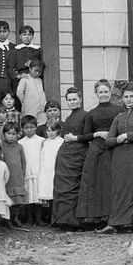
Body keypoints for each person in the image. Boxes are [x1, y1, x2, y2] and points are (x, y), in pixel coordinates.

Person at [97, 83, 133, 234]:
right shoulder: (119, 117)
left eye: (131, 96)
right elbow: (109, 140)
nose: (128, 99)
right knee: (119, 188)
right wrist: (119, 140)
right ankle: (115, 223)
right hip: (120, 158)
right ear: (122, 98)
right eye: (126, 97)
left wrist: (128, 136)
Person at [76, 79, 123, 229]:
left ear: (110, 92)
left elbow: (123, 129)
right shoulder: (91, 113)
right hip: (96, 150)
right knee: (97, 182)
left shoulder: (119, 110)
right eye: (100, 92)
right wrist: (97, 133)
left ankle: (114, 217)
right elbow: (86, 135)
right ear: (96, 94)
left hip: (113, 148)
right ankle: (98, 217)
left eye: (105, 92)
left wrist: (111, 135)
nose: (103, 95)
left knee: (112, 182)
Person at [51, 87, 92, 230]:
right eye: (69, 100)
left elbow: (88, 135)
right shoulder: (68, 118)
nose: (72, 102)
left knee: (75, 186)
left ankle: (75, 221)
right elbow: (63, 136)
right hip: (65, 155)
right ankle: (62, 219)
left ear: (80, 99)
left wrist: (75, 138)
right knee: (63, 186)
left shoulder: (86, 115)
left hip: (79, 153)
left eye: (75, 99)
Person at [38, 120, 64, 225]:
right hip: (46, 170)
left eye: (53, 130)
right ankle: (48, 217)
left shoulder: (61, 141)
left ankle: (57, 218)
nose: (50, 133)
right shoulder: (45, 142)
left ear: (58, 131)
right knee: (47, 193)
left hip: (56, 169)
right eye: (48, 130)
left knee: (56, 192)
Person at [1, 122, 27, 227]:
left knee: (18, 200)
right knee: (8, 199)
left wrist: (23, 173)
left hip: (17, 176)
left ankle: (15, 218)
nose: (11, 136)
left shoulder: (19, 147)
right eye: (9, 134)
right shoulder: (1, 146)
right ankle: (7, 220)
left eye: (13, 134)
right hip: (7, 178)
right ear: (4, 134)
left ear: (17, 135)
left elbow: (23, 161)